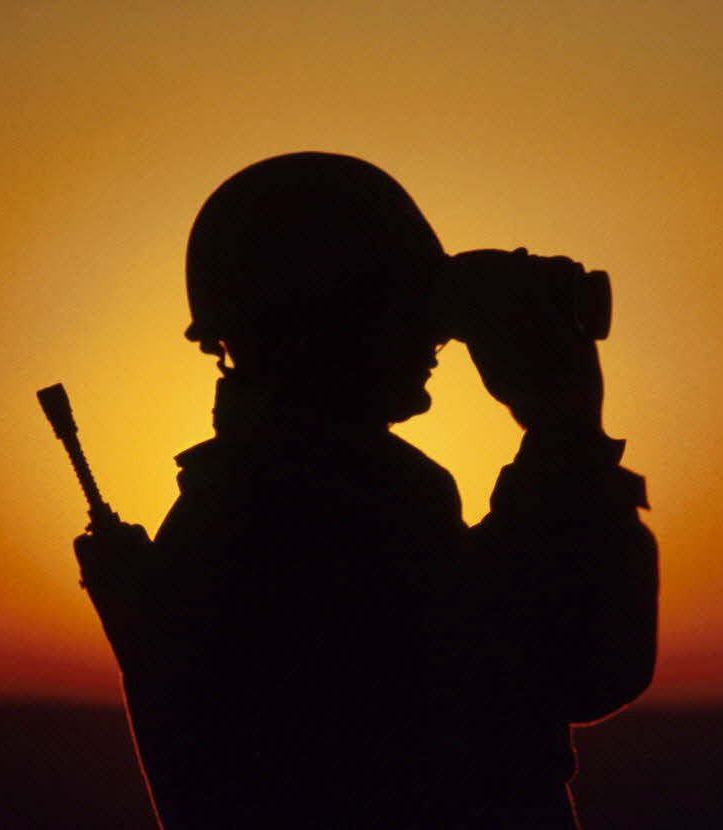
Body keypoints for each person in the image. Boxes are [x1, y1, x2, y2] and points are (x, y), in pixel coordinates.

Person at [74, 151, 658, 829]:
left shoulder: (304, 500)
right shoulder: (292, 526)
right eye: (405, 300)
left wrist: (563, 439)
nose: (435, 332)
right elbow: (580, 662)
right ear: (325, 323)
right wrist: (564, 430)